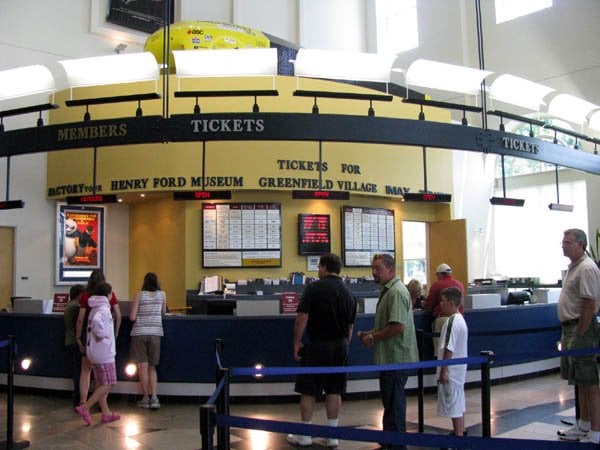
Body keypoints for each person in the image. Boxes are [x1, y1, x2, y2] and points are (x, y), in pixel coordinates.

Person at [287, 253, 357, 448]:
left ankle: (305, 436)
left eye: (319, 267)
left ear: (325, 267)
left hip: (318, 345)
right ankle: (332, 436)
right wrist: (344, 345)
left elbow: (302, 317)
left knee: (308, 390)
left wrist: (297, 342)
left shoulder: (314, 288)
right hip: (341, 346)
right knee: (335, 390)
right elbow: (350, 327)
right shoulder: (349, 292)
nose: (318, 270)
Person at [357, 254, 418, 450]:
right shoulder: (389, 291)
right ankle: (390, 441)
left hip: (396, 357)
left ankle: (396, 445)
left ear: (391, 269)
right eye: (373, 268)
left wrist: (373, 338)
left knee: (394, 403)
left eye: (378, 268)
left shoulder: (396, 292)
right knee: (391, 402)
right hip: (390, 357)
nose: (373, 272)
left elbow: (398, 326)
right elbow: (389, 324)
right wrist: (371, 333)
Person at [556, 228, 600, 443]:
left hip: (581, 328)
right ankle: (583, 424)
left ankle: (596, 432)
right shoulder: (574, 267)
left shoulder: (587, 268)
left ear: (580, 245)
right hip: (570, 328)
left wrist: (581, 333)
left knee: (589, 381)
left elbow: (589, 304)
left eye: (567, 242)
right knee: (579, 380)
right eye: (563, 241)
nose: (563, 245)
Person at [74, 282, 120, 425]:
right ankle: (85, 407)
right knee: (109, 382)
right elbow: (97, 322)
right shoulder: (104, 310)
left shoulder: (94, 307)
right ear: (108, 294)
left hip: (94, 351)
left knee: (100, 383)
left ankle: (106, 413)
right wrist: (103, 334)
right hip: (104, 352)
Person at [130, 272, 167, 410]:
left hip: (139, 333)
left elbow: (132, 317)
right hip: (155, 333)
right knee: (152, 367)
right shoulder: (162, 295)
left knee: (143, 367)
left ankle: (145, 398)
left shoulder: (139, 295)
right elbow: (164, 313)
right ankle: (155, 398)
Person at [436, 287, 468, 438]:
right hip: (458, 370)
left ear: (451, 303)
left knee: (453, 405)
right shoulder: (460, 320)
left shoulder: (452, 322)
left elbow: (449, 347)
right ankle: (460, 430)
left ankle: (458, 434)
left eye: (443, 301)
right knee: (458, 403)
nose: (441, 304)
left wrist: (444, 370)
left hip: (452, 372)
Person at [424, 263, 464, 353]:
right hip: (459, 319)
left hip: (442, 319)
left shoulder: (437, 285)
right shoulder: (460, 284)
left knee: (441, 350)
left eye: (437, 275)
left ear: (440, 274)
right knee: (457, 349)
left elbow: (429, 305)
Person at [63, 284, 86, 407]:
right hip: (75, 342)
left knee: (76, 370)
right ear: (80, 295)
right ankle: (77, 398)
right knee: (78, 371)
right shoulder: (75, 308)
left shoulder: (69, 306)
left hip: (70, 341)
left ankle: (76, 398)